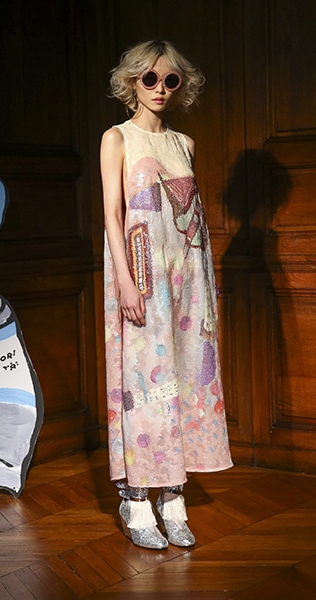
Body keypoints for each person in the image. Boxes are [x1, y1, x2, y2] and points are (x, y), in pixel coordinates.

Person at [100, 40, 233, 550]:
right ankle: (136, 498)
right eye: (149, 78)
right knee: (143, 380)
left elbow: (190, 220)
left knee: (185, 376)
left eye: (170, 80)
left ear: (180, 86)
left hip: (189, 276)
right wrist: (125, 281)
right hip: (142, 273)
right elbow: (113, 214)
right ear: (132, 82)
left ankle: (173, 496)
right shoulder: (117, 138)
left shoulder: (185, 143)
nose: (159, 88)